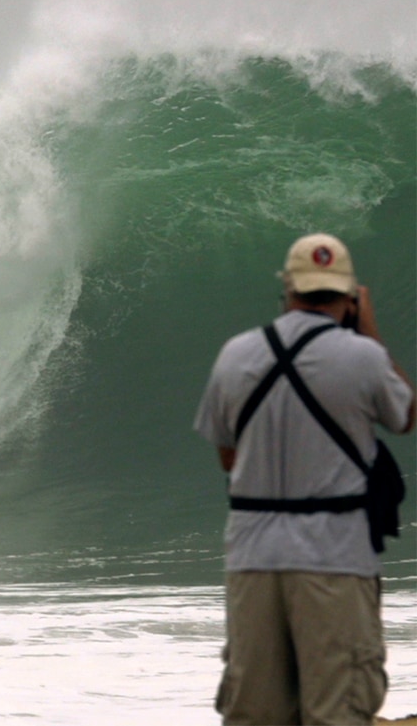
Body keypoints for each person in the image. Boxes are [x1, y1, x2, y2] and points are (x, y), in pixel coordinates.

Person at [194, 233, 415, 725]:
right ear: (350, 296)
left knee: (256, 711)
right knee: (337, 710)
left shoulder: (236, 354)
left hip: (253, 556)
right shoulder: (363, 358)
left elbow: (228, 459)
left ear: (288, 288)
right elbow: (404, 414)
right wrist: (371, 332)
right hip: (335, 557)